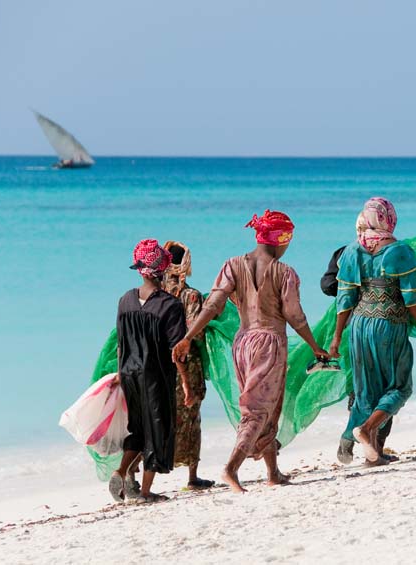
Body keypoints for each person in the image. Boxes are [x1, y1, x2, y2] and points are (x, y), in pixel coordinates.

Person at [172, 210, 329, 493]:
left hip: (242, 343)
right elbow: (295, 316)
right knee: (258, 410)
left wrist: (188, 337)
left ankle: (273, 472)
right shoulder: (285, 273)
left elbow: (213, 306)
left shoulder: (232, 265)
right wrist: (315, 346)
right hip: (270, 342)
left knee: (267, 407)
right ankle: (231, 468)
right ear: (281, 239)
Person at [329, 197, 416, 465]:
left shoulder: (352, 251)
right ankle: (363, 431)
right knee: (399, 387)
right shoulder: (401, 252)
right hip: (389, 325)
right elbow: (412, 299)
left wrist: (337, 336)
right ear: (389, 218)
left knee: (366, 391)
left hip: (359, 326)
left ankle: (364, 449)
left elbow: (344, 299)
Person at [109, 239, 193, 504]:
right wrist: (186, 383)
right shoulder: (170, 305)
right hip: (156, 376)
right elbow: (177, 352)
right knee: (159, 430)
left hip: (129, 374)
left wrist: (120, 374)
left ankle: (121, 471)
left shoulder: (125, 300)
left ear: (140, 269)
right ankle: (144, 492)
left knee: (137, 428)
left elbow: (121, 343)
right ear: (164, 270)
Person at [320, 246, 396, 465]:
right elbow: (328, 284)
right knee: (385, 389)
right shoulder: (390, 252)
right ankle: (366, 447)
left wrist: (349, 288)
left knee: (371, 389)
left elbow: (327, 285)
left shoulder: (346, 253)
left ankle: (366, 446)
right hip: (378, 328)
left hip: (360, 327)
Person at [161, 240, 214, 490]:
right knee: (191, 417)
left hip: (157, 364)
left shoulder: (153, 293)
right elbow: (195, 333)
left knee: (157, 417)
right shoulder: (191, 295)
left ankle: (137, 474)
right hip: (187, 364)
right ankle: (192, 477)